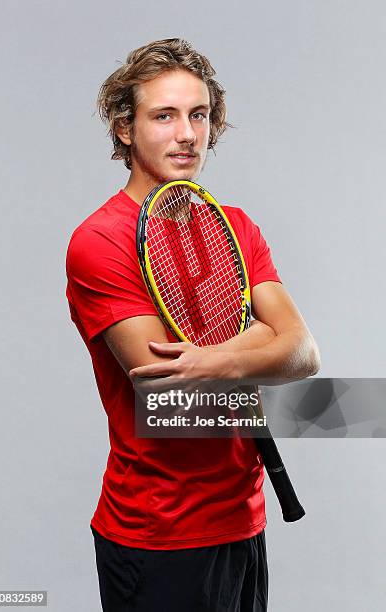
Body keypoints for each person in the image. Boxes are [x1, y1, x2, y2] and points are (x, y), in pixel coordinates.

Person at [66, 38, 320, 612]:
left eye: (198, 115)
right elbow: (170, 395)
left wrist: (216, 359)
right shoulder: (100, 241)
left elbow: (304, 353)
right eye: (164, 115)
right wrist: (260, 345)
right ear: (125, 129)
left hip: (243, 521)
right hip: (159, 535)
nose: (186, 133)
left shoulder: (234, 226)